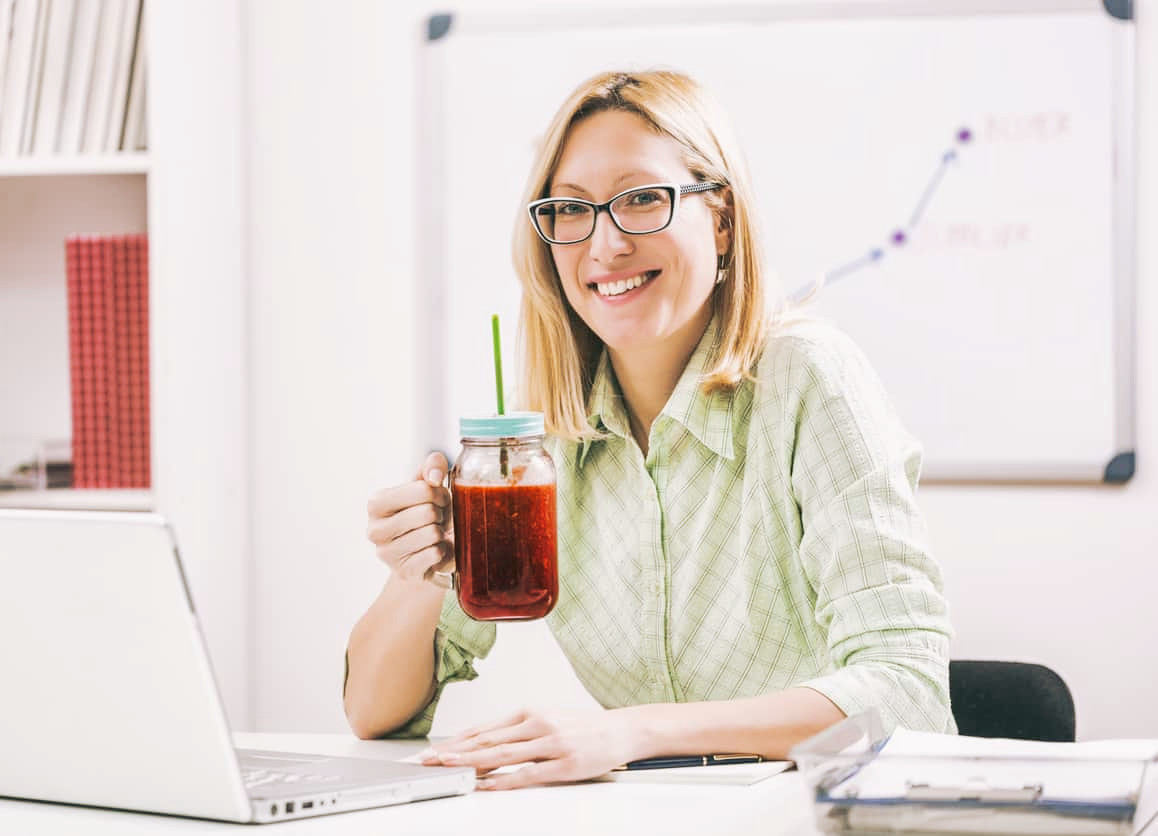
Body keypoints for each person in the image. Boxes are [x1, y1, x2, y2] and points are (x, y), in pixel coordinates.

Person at [345, 69, 954, 791]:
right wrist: (418, 575)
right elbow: (374, 715)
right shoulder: (544, 446)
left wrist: (627, 732)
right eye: (571, 211)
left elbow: (907, 691)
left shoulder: (807, 378)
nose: (603, 245)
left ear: (722, 219)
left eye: (640, 200)